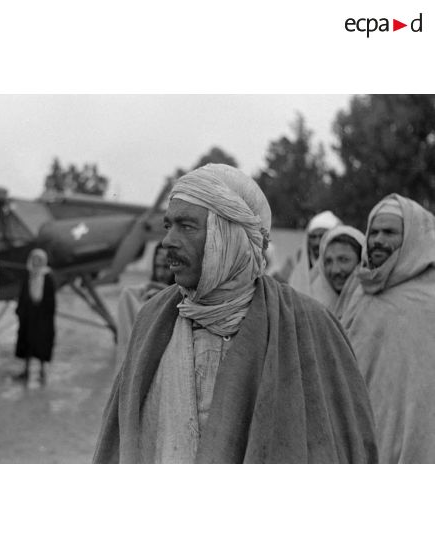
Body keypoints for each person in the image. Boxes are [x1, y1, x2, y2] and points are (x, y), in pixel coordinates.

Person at [93, 164, 377, 464]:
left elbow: (344, 446)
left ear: (228, 237)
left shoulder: (310, 325)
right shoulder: (152, 320)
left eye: (186, 226)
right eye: (168, 226)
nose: (168, 242)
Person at [338, 194, 435, 464]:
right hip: (357, 435)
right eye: (374, 232)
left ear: (413, 239)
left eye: (390, 232)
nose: (378, 240)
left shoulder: (429, 300)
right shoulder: (360, 290)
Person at [114, 242, 174, 371]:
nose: (161, 273)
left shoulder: (186, 301)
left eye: (166, 267)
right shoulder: (140, 295)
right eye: (158, 266)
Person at [14, 248, 56, 385]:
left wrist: (47, 315)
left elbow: (51, 301)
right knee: (27, 342)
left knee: (42, 343)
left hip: (43, 317)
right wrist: (20, 312)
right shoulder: (28, 276)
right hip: (29, 316)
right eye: (34, 259)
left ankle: (43, 373)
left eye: (39, 260)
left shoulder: (48, 278)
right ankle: (26, 371)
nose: (36, 263)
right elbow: (22, 296)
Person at [311, 225, 365, 312]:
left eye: (343, 260)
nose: (335, 270)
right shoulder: (316, 307)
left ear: (361, 262)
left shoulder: (373, 307)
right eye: (328, 261)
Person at [288, 210, 342, 296]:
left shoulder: (342, 272)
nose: (317, 242)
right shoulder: (297, 267)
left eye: (322, 236)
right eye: (313, 237)